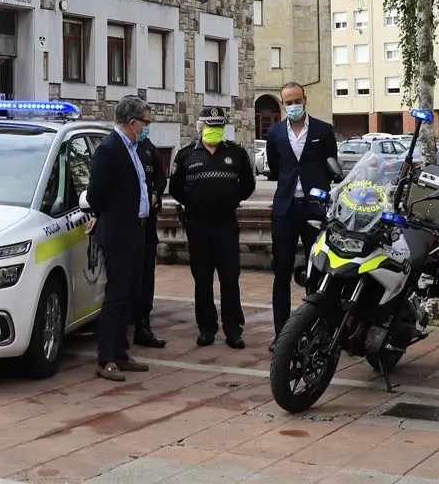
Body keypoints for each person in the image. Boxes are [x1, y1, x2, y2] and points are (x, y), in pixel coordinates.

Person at [169, 107, 256, 349]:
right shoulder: (186, 155)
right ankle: (206, 328)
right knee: (202, 279)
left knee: (230, 278)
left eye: (218, 127)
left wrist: (230, 200)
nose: (214, 131)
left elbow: (247, 185)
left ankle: (233, 329)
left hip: (226, 224)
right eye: (210, 127)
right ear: (200, 128)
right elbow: (175, 189)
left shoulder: (236, 154)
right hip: (198, 225)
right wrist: (195, 203)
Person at [265, 81, 338, 352]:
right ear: (283, 104)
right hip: (285, 210)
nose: (293, 106)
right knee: (281, 273)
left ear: (305, 99)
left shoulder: (322, 130)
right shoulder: (274, 133)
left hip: (314, 210)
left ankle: (317, 331)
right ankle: (281, 334)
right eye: (288, 102)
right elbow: (275, 167)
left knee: (317, 272)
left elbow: (332, 165)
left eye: (297, 100)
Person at [85, 95, 152, 382]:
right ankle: (105, 358)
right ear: (133, 122)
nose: (147, 127)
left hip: (135, 230)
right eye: (146, 122)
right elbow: (94, 193)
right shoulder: (110, 149)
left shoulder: (133, 147)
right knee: (115, 296)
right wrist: (105, 213)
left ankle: (121, 353)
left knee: (130, 295)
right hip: (117, 232)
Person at [131, 135, 167, 348]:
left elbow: (160, 179)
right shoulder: (117, 148)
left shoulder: (148, 148)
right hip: (125, 224)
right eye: (143, 122)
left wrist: (155, 194)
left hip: (147, 224)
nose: (146, 127)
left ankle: (143, 324)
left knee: (146, 275)